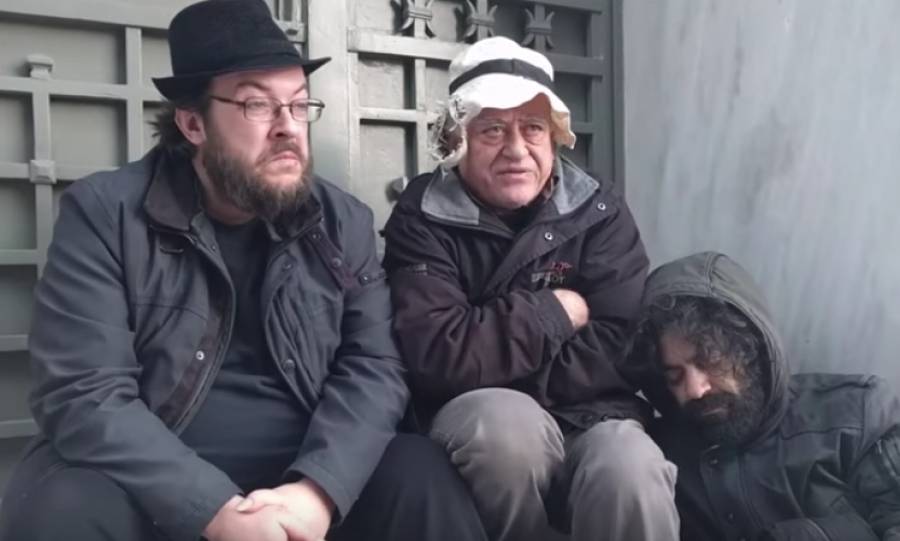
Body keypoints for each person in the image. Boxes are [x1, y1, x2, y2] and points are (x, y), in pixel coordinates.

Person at [0, 1, 489, 540]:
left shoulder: (340, 221)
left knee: (419, 474)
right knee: (63, 506)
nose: (288, 129)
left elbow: (374, 367)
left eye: (299, 105)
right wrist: (213, 510)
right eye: (258, 105)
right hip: (155, 479)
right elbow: (84, 392)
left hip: (304, 468)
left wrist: (317, 491)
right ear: (192, 123)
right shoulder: (105, 214)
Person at [381, 36, 679, 541]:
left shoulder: (599, 210)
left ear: (554, 136)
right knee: (506, 429)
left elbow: (621, 340)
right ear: (458, 139)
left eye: (533, 128)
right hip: (480, 420)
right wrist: (554, 313)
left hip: (595, 414)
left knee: (629, 467)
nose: (516, 150)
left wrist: (495, 351)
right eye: (493, 129)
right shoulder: (422, 218)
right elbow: (437, 353)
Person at [623, 251, 900, 540]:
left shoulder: (857, 418)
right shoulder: (658, 459)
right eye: (674, 376)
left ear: (750, 349)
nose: (694, 389)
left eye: (709, 360)